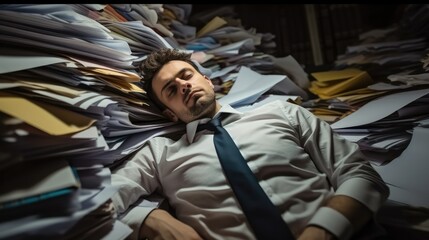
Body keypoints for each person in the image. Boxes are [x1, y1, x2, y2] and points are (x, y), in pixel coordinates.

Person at [110, 48, 390, 240]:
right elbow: (99, 204)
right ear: (170, 114)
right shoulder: (159, 154)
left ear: (207, 80)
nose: (183, 85)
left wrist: (323, 230)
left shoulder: (282, 112)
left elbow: (360, 175)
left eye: (186, 75)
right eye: (170, 89)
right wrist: (149, 219)